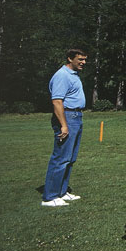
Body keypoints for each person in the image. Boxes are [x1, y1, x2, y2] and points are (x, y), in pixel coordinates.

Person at [41, 48, 87, 207]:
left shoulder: (73, 75)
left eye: (84, 59)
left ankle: (61, 192)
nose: (83, 62)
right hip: (67, 118)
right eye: (80, 59)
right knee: (61, 158)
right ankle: (50, 197)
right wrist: (64, 126)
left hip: (76, 117)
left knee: (70, 158)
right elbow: (57, 102)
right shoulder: (62, 75)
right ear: (70, 58)